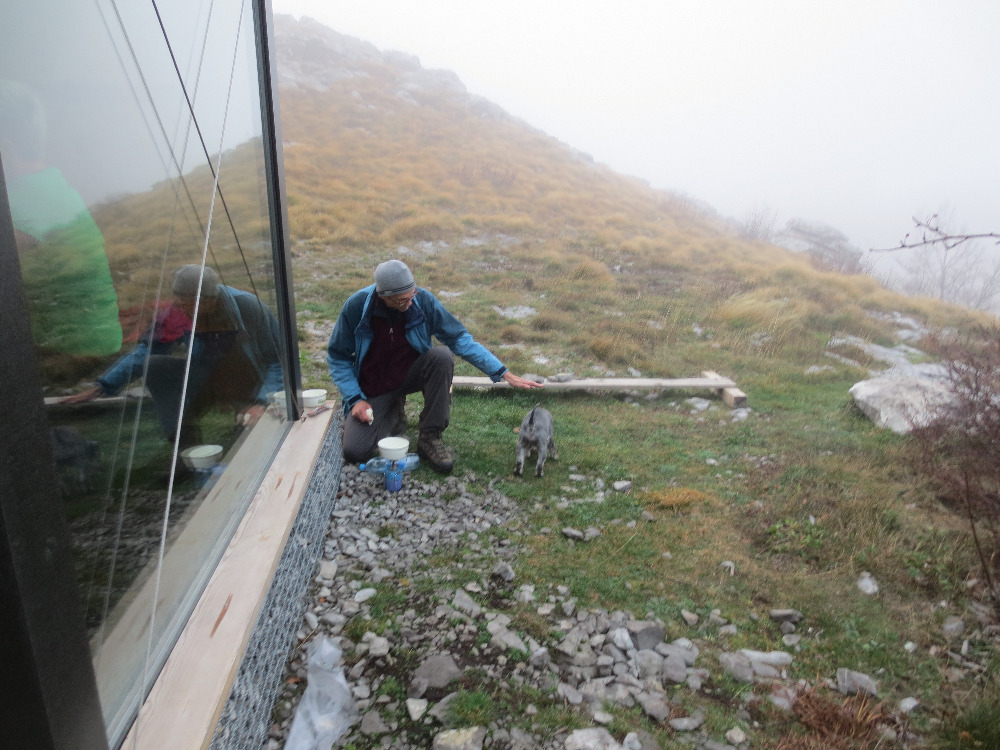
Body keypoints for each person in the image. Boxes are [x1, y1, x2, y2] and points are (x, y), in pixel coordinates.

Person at [327, 259, 543, 473]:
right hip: (375, 384)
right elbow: (337, 357)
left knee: (441, 356)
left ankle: (430, 437)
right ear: (384, 296)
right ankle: (393, 411)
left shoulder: (422, 300)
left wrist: (502, 372)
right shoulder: (356, 307)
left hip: (410, 373)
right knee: (355, 451)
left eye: (411, 295)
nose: (409, 303)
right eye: (402, 301)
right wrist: (355, 399)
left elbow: (459, 339)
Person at [63, 265, 284, 444]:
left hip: (249, 380)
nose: (184, 311)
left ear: (209, 299)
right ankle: (184, 445)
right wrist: (104, 385)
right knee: (155, 365)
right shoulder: (177, 313)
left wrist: (263, 401)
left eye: (190, 305)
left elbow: (278, 358)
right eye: (180, 303)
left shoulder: (246, 307)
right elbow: (147, 350)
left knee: (248, 441)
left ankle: (247, 418)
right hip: (207, 377)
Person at [1, 79, 121, 367]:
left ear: (5, 146)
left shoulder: (24, 202)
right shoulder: (49, 185)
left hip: (72, 362)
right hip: (89, 350)